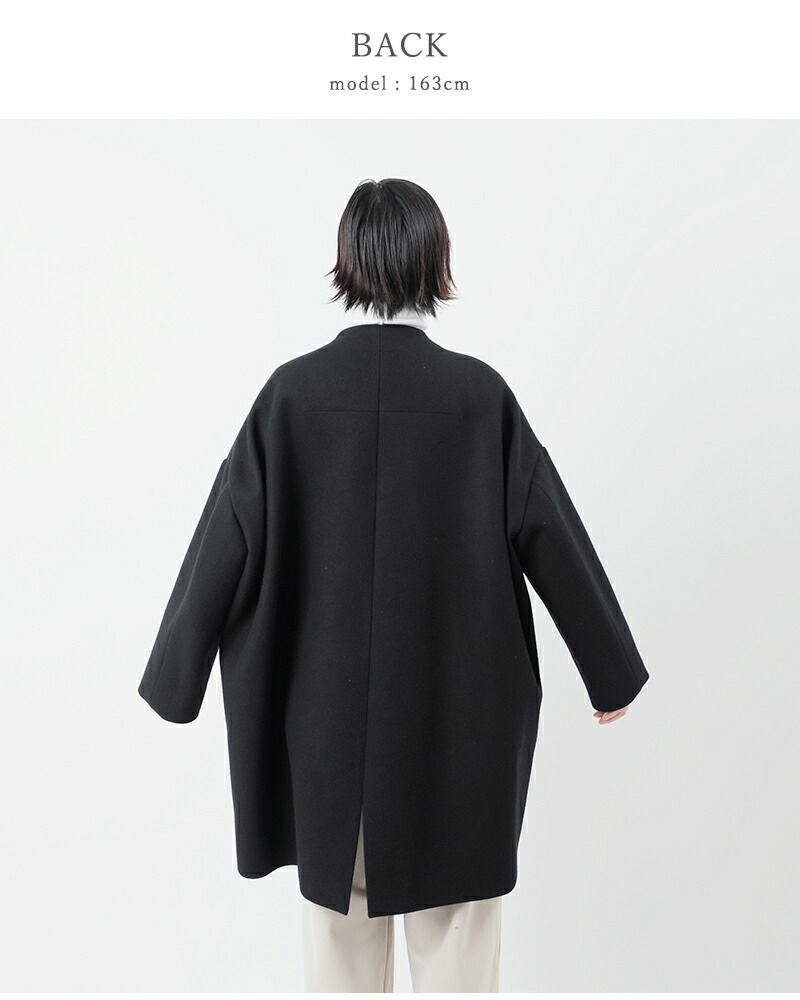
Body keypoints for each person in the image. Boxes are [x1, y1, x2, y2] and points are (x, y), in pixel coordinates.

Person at [139, 177, 649, 992]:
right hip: (458, 732)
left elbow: (225, 535)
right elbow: (549, 528)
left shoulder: (290, 396)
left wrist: (176, 680)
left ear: (348, 260)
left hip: (323, 735)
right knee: (458, 949)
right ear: (436, 261)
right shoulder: (478, 397)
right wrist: (609, 671)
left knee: (338, 953)